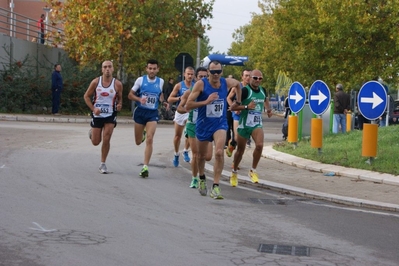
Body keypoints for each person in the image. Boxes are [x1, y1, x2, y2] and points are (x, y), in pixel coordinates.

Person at [186, 60, 241, 199]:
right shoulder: (201, 84)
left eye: (218, 71)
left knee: (218, 153)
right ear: (208, 72)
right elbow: (188, 105)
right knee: (201, 156)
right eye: (213, 72)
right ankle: (202, 178)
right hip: (203, 124)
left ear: (221, 72)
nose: (216, 74)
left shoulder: (225, 82)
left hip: (220, 124)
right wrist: (205, 102)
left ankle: (216, 186)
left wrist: (238, 102)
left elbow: (238, 85)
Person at [230, 69, 272, 187]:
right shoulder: (244, 91)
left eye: (260, 78)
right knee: (240, 151)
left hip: (256, 124)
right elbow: (233, 107)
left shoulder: (262, 90)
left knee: (259, 145)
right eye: (255, 78)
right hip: (244, 124)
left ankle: (253, 170)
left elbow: (265, 100)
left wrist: (268, 110)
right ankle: (234, 172)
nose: (258, 80)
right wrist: (247, 106)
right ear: (250, 79)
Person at [128, 59, 167, 178]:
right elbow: (130, 95)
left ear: (157, 69)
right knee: (138, 142)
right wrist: (139, 99)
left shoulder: (161, 81)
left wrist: (163, 101)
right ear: (147, 69)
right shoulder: (140, 80)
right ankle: (143, 134)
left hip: (152, 113)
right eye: (150, 68)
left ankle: (145, 166)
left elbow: (160, 94)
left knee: (150, 139)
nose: (152, 71)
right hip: (140, 112)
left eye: (154, 69)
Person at [83, 60, 123, 174]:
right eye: (105, 67)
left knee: (107, 138)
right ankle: (92, 132)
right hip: (97, 114)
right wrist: (93, 109)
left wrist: (119, 104)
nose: (107, 69)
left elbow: (120, 98)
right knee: (96, 142)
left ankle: (103, 164)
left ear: (113, 69)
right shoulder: (96, 82)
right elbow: (86, 96)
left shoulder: (118, 84)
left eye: (109, 67)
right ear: (102, 69)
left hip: (110, 113)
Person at [177, 67, 213, 188]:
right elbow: (179, 108)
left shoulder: (210, 91)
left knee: (207, 156)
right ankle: (194, 178)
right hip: (193, 125)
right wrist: (187, 109)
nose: (202, 79)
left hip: (207, 125)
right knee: (196, 154)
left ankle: (199, 172)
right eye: (200, 77)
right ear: (196, 78)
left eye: (205, 76)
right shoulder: (189, 92)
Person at [167, 67, 195, 167]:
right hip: (180, 111)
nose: (190, 76)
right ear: (184, 74)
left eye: (192, 74)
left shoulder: (196, 86)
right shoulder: (179, 86)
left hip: (190, 111)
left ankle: (186, 150)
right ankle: (176, 154)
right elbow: (169, 99)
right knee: (177, 136)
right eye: (188, 74)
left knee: (189, 132)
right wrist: (180, 97)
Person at [226, 69, 251, 169]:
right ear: (242, 77)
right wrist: (233, 107)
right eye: (246, 76)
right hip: (237, 114)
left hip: (247, 114)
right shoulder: (237, 87)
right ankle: (231, 145)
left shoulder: (252, 88)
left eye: (249, 76)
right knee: (237, 136)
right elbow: (228, 98)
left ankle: (235, 162)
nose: (248, 78)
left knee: (242, 141)